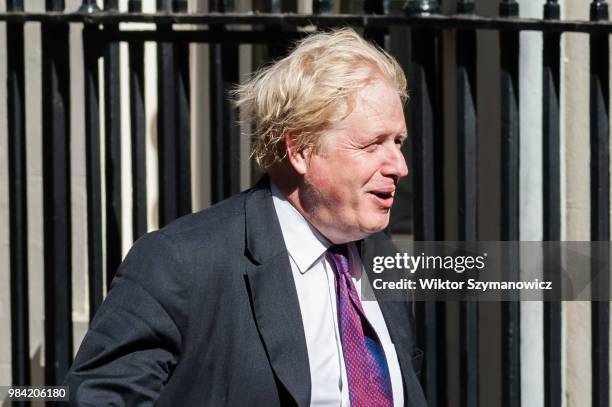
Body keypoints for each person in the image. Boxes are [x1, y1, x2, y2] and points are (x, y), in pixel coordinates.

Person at [63, 28, 427, 406]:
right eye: (371, 144)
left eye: (397, 142)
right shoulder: (181, 263)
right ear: (300, 149)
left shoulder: (381, 257)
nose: (399, 166)